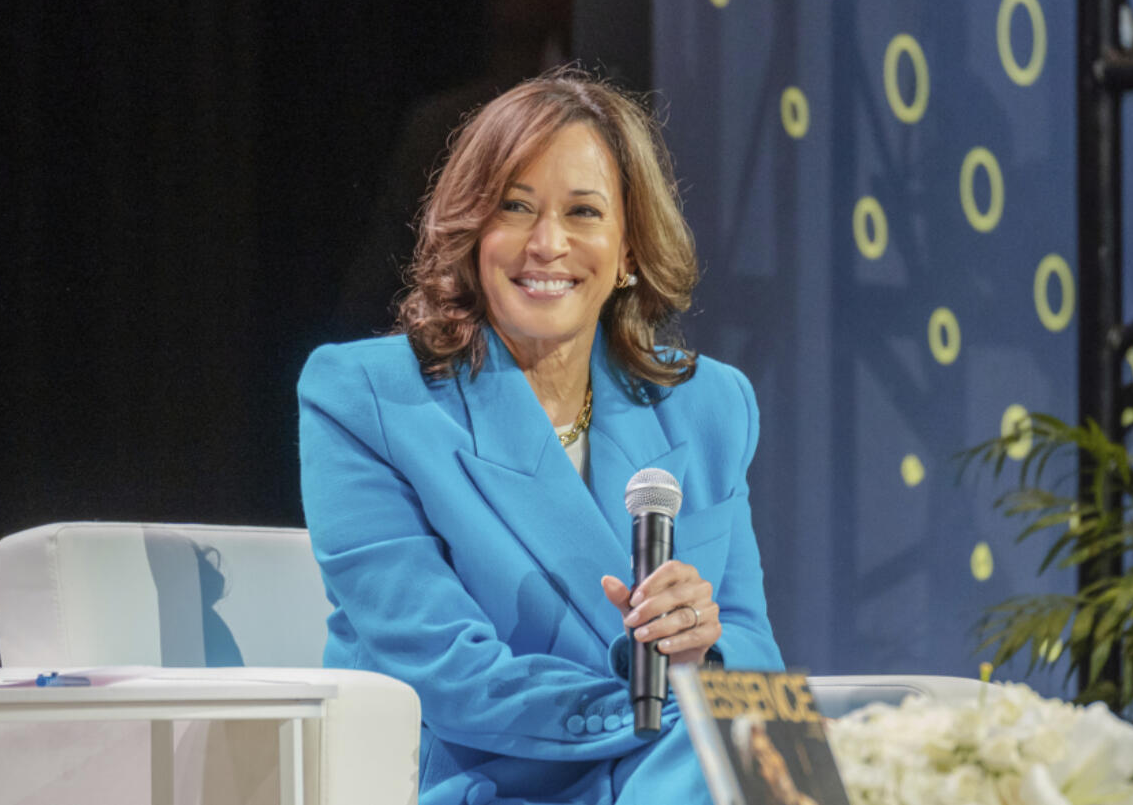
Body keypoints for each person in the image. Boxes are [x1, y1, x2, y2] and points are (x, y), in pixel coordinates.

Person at [298, 69, 784, 805]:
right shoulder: (366, 399)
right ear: (472, 235)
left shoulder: (709, 404)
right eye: (514, 207)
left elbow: (754, 661)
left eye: (584, 212)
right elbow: (454, 674)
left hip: (678, 764)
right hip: (497, 778)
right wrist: (659, 710)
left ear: (627, 251)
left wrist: (702, 652)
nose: (547, 243)